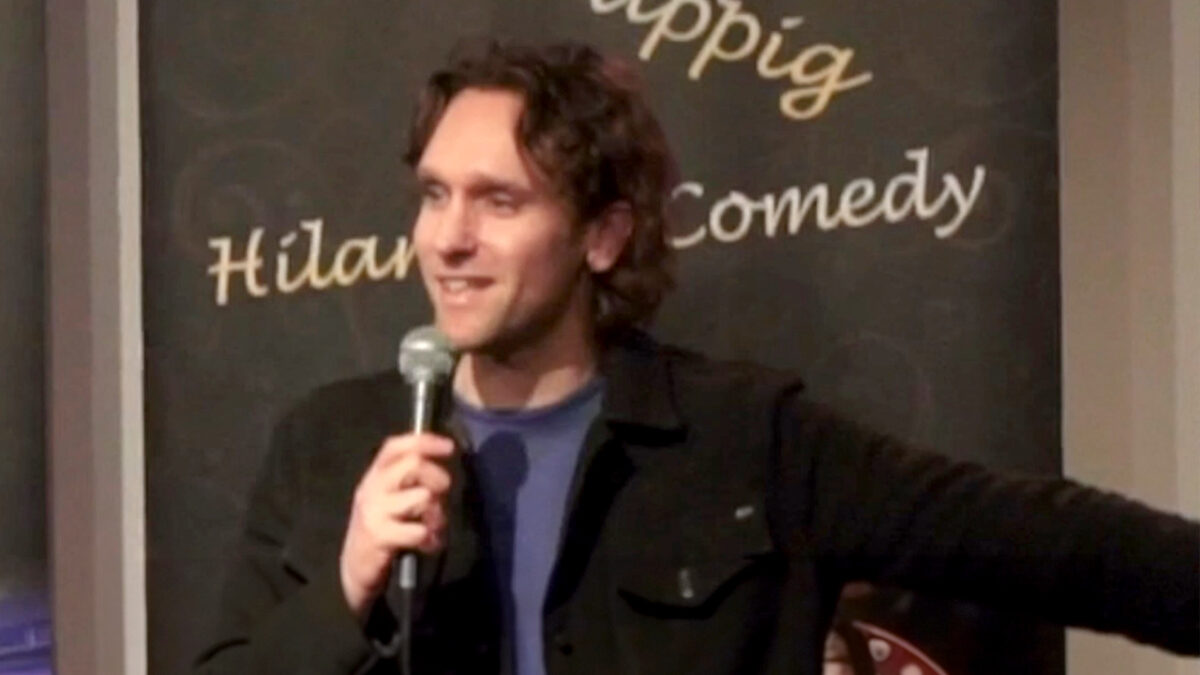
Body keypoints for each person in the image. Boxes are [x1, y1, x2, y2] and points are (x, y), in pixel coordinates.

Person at [194, 40, 1200, 675]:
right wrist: (346, 588)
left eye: (500, 201)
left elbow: (1042, 540)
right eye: (433, 194)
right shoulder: (327, 445)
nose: (447, 239)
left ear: (601, 236)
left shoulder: (746, 441)